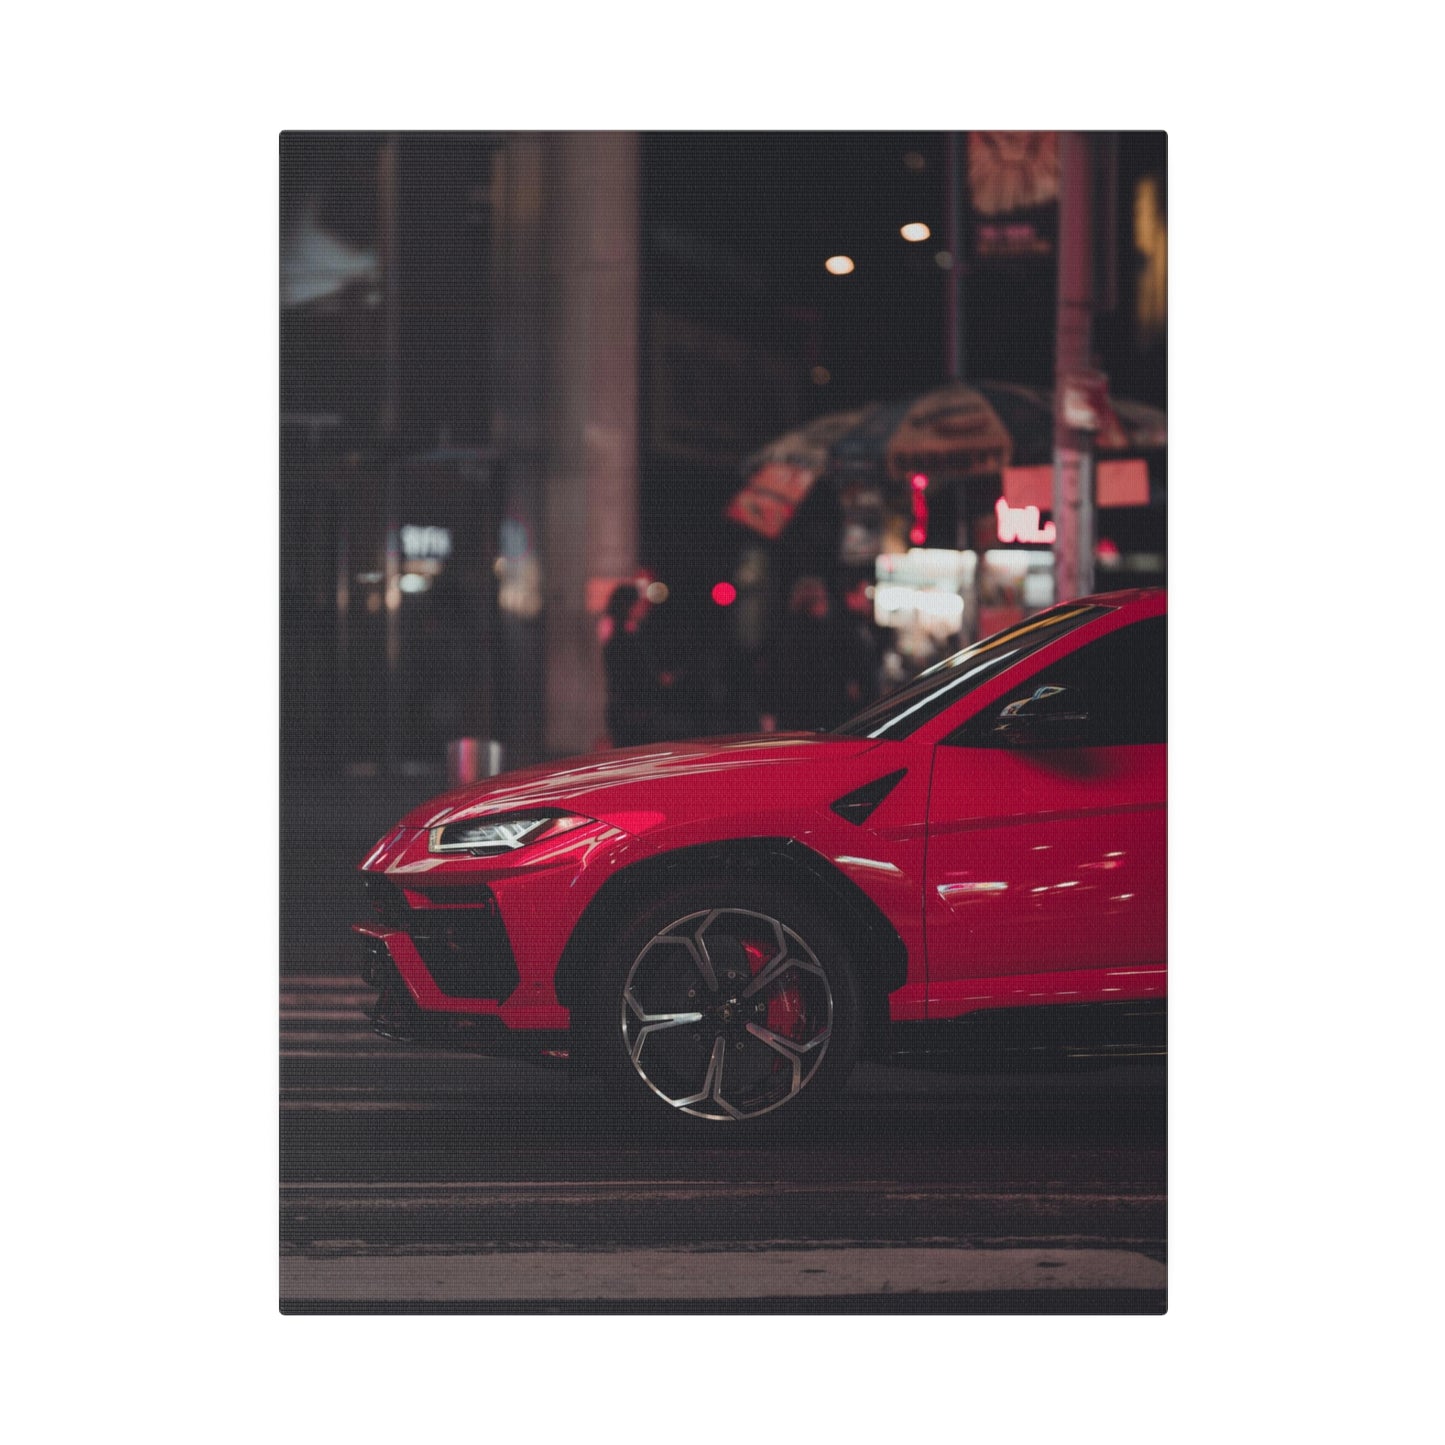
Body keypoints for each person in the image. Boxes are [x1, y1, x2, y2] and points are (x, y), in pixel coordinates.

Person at [758, 576, 870, 732]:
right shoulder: (830, 633)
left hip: (791, 714)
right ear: (815, 603)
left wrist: (768, 711)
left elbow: (771, 675)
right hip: (824, 713)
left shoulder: (784, 632)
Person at [601, 583, 667, 747]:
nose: (643, 607)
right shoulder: (621, 638)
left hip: (634, 709)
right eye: (639, 603)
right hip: (633, 711)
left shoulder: (631, 633)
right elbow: (627, 676)